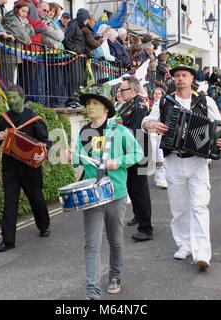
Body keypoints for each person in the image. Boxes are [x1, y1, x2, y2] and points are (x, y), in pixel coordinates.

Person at [141, 61, 221, 270]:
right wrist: (151, 125)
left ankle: (202, 253)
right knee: (179, 207)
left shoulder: (205, 102)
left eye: (184, 75)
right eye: (177, 76)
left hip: (198, 161)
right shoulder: (164, 102)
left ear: (191, 79)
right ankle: (184, 244)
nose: (180, 79)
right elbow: (146, 123)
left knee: (199, 206)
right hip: (173, 160)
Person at [68, 84, 143, 300]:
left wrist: (117, 162)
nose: (89, 107)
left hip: (115, 193)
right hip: (92, 193)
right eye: (88, 104)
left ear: (106, 109)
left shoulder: (119, 131)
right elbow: (77, 163)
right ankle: (92, 291)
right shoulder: (84, 131)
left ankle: (114, 276)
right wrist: (71, 154)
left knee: (115, 240)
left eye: (95, 104)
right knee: (91, 244)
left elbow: (138, 153)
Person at [0, 86, 52, 252]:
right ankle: (8, 241)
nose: (11, 101)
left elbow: (46, 141)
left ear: (22, 98)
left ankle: (43, 225)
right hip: (10, 168)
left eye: (14, 98)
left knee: (36, 199)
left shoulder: (34, 118)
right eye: (8, 98)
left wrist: (43, 153)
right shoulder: (4, 119)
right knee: (10, 204)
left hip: (30, 168)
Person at [118, 76, 153, 242]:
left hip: (138, 153)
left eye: (123, 89)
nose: (120, 92)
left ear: (133, 90)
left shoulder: (138, 106)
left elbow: (135, 133)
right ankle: (139, 216)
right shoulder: (127, 105)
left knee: (140, 191)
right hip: (129, 154)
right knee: (132, 188)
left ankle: (146, 228)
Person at [148, 87, 167, 189]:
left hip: (159, 134)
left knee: (160, 157)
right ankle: (156, 175)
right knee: (153, 157)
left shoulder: (163, 104)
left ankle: (160, 178)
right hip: (150, 133)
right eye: (155, 93)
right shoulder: (149, 104)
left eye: (159, 93)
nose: (157, 95)